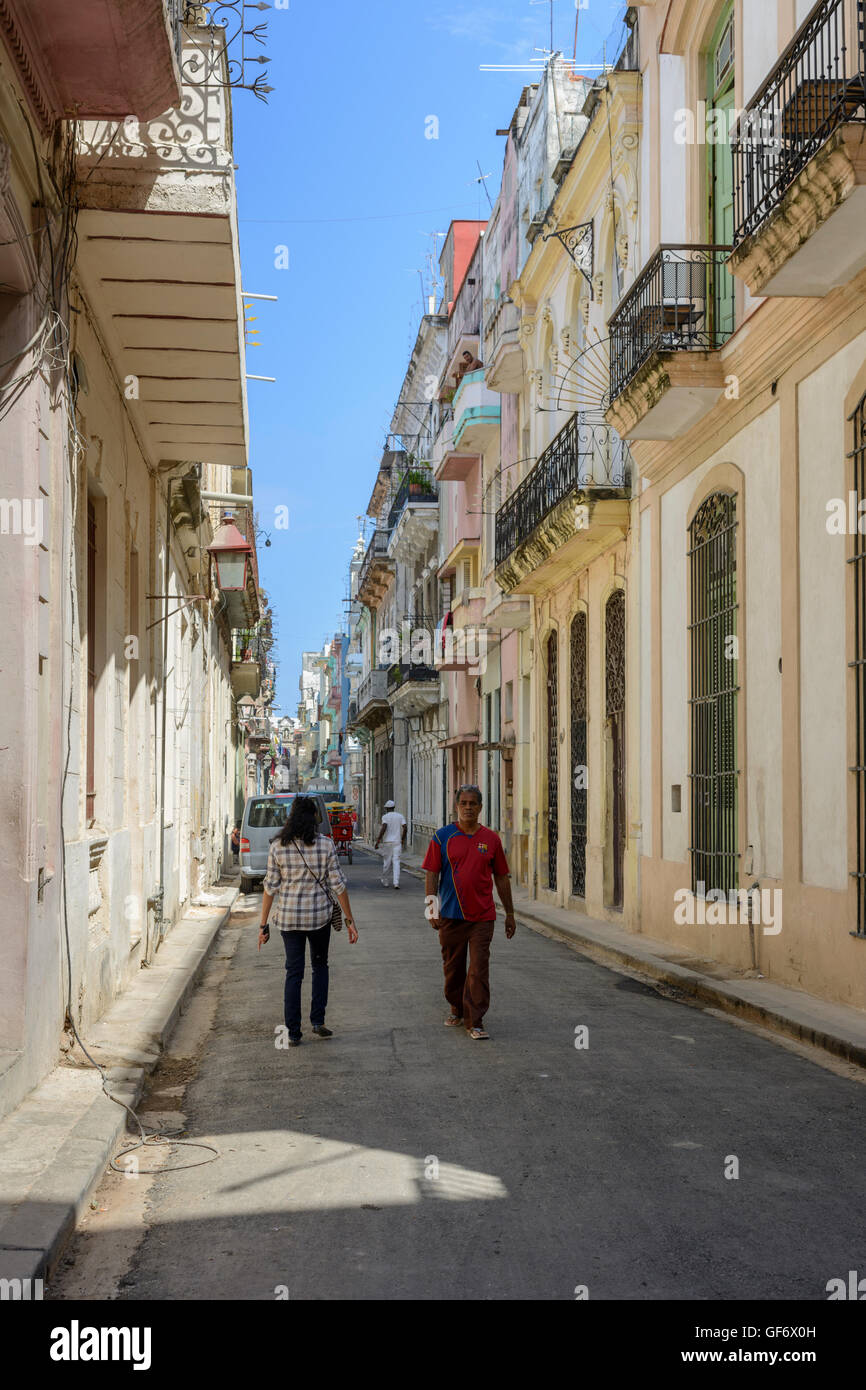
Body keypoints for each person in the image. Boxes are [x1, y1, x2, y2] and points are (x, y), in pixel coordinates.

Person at [258, 795, 358, 1046]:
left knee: (293, 972)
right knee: (320, 966)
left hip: (289, 919)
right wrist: (349, 920)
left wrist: (263, 925)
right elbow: (338, 885)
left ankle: (292, 1032)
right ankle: (318, 1020)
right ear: (314, 817)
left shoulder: (278, 846)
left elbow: (269, 888)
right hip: (319, 918)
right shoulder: (325, 844)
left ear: (291, 818)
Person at [423, 784, 515, 1041]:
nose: (468, 808)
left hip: (482, 917)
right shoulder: (442, 837)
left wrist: (510, 913)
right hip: (451, 915)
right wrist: (432, 908)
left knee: (478, 968)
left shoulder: (491, 839)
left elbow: (502, 878)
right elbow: (432, 873)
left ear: (480, 807)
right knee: (453, 970)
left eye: (473, 803)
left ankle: (475, 1020)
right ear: (456, 806)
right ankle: (457, 1007)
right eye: (463, 803)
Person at [375, 799, 406, 889]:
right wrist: (402, 839)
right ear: (394, 808)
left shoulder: (385, 817)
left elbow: (384, 827)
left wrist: (378, 840)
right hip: (397, 842)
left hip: (388, 842)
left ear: (386, 808)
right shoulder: (400, 816)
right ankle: (396, 883)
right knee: (396, 862)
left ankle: (385, 881)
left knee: (387, 862)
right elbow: (405, 827)